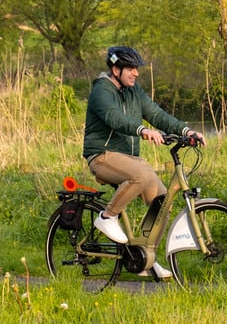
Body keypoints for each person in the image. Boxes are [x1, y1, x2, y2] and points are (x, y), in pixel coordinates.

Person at [82, 45, 204, 279]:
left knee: (161, 202)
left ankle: (145, 258)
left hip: (130, 158)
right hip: (102, 156)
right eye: (131, 69)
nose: (136, 73)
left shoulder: (134, 91)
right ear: (116, 69)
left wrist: (187, 131)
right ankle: (107, 217)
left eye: (137, 69)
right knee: (141, 174)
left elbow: (157, 115)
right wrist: (141, 130)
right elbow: (114, 118)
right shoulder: (101, 91)